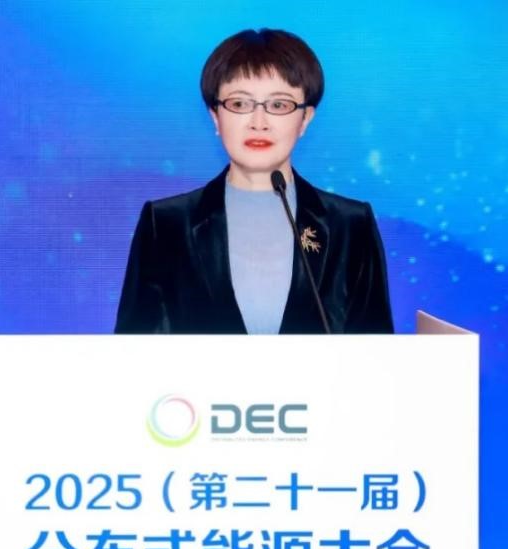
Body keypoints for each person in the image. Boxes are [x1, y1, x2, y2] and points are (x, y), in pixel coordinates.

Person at [115, 28, 394, 334]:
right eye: (239, 104)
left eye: (279, 105)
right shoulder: (166, 225)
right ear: (215, 117)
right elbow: (134, 353)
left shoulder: (351, 227)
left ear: (305, 119)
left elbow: (378, 353)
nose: (258, 123)